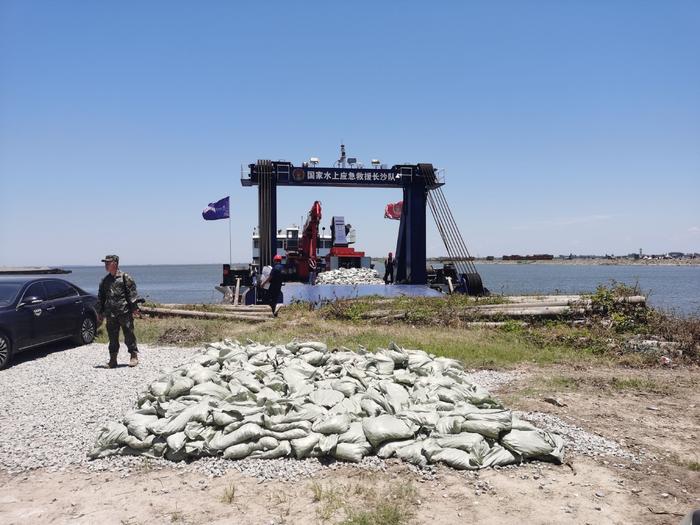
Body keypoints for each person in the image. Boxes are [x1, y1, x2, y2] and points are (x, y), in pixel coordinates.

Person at [97, 255, 141, 368]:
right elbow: (101, 297)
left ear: (115, 263)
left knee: (129, 335)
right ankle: (113, 360)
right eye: (105, 263)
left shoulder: (125, 277)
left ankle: (133, 356)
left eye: (108, 262)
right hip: (110, 314)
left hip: (124, 312)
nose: (106, 265)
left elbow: (132, 294)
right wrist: (100, 312)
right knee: (112, 337)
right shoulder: (105, 280)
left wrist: (134, 308)